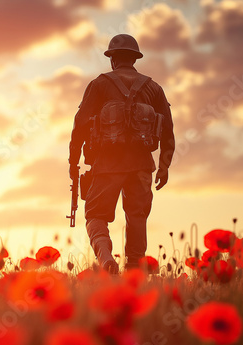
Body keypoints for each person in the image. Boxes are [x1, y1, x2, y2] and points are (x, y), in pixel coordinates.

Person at [68, 34, 175, 273]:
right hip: (142, 166)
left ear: (113, 60)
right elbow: (168, 128)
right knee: (137, 217)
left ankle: (106, 258)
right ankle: (135, 273)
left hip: (106, 164)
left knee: (95, 216)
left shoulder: (99, 84)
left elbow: (80, 125)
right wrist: (164, 165)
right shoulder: (153, 87)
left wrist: (73, 164)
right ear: (134, 59)